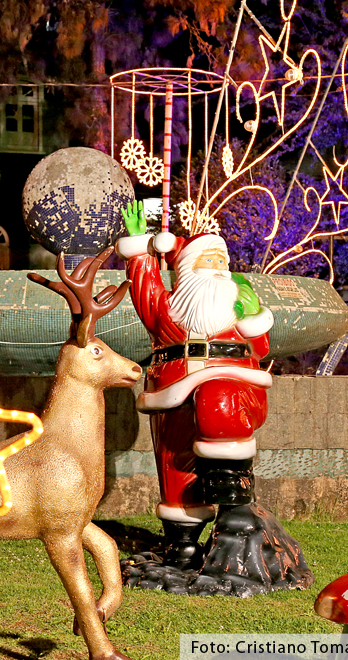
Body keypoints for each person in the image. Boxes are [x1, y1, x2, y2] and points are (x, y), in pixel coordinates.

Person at [116, 201, 275, 571]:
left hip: (234, 380)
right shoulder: (169, 308)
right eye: (210, 261)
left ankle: (232, 492)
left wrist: (253, 315)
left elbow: (262, 347)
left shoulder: (237, 303)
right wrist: (139, 245)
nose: (219, 270)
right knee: (173, 462)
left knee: (218, 401)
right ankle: (182, 543)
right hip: (173, 389)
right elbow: (145, 287)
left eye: (223, 262)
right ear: (188, 268)